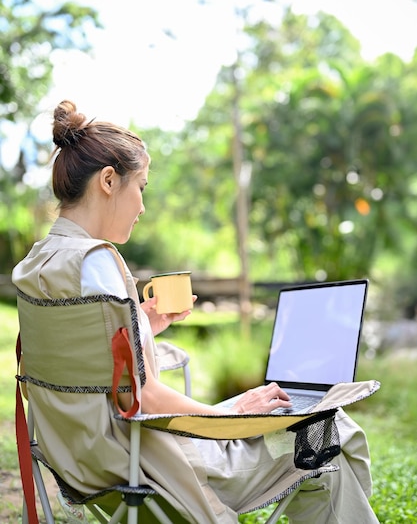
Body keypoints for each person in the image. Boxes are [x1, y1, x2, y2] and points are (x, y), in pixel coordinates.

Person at [12, 100, 379, 523]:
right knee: (334, 430)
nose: (143, 206)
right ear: (109, 181)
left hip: (80, 457)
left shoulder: (42, 260)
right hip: (147, 463)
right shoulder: (99, 262)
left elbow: (83, 357)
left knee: (323, 437)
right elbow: (144, 396)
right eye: (142, 186)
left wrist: (143, 324)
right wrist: (232, 413)